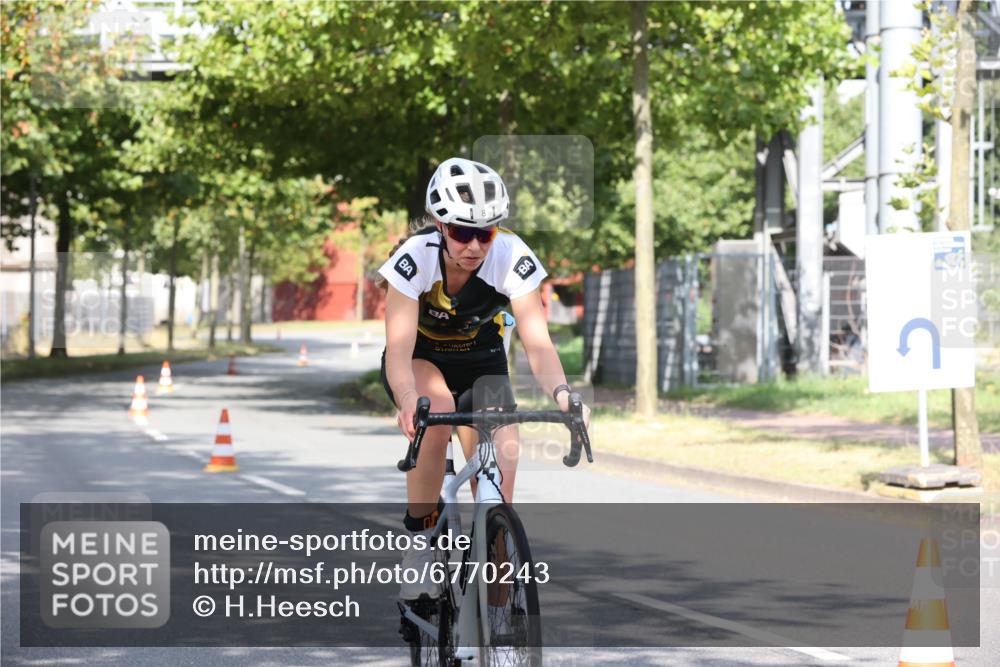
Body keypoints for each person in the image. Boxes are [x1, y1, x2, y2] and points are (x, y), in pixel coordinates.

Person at [376, 156, 590, 601]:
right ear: (439, 225)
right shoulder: (413, 260)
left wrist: (564, 393)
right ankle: (419, 542)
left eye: (485, 232)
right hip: (421, 360)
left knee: (498, 480)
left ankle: (492, 612)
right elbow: (397, 348)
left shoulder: (512, 256)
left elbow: (538, 343)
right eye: (462, 232)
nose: (474, 245)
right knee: (436, 411)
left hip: (483, 362)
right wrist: (406, 398)